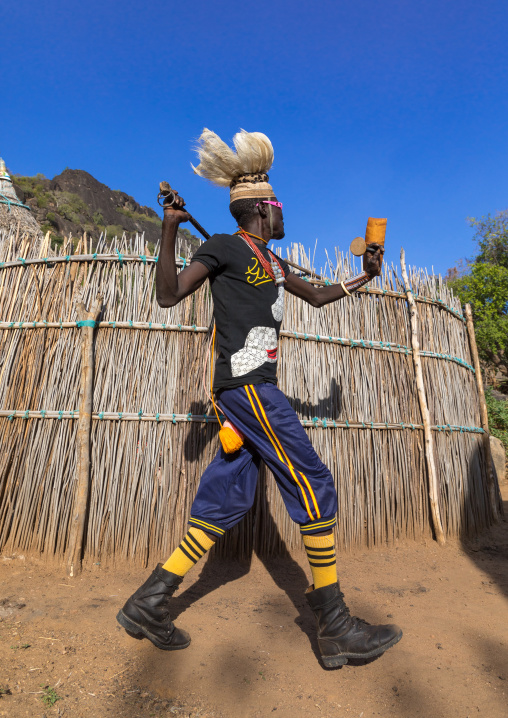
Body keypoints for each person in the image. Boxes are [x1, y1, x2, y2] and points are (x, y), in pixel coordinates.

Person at [117, 129, 402, 668]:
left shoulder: (271, 262)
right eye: (280, 209)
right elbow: (168, 294)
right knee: (313, 481)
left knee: (228, 497)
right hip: (249, 388)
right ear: (262, 210)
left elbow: (317, 297)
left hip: (245, 397)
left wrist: (363, 277)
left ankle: (149, 602)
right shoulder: (223, 246)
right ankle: (336, 625)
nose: (285, 217)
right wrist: (169, 231)